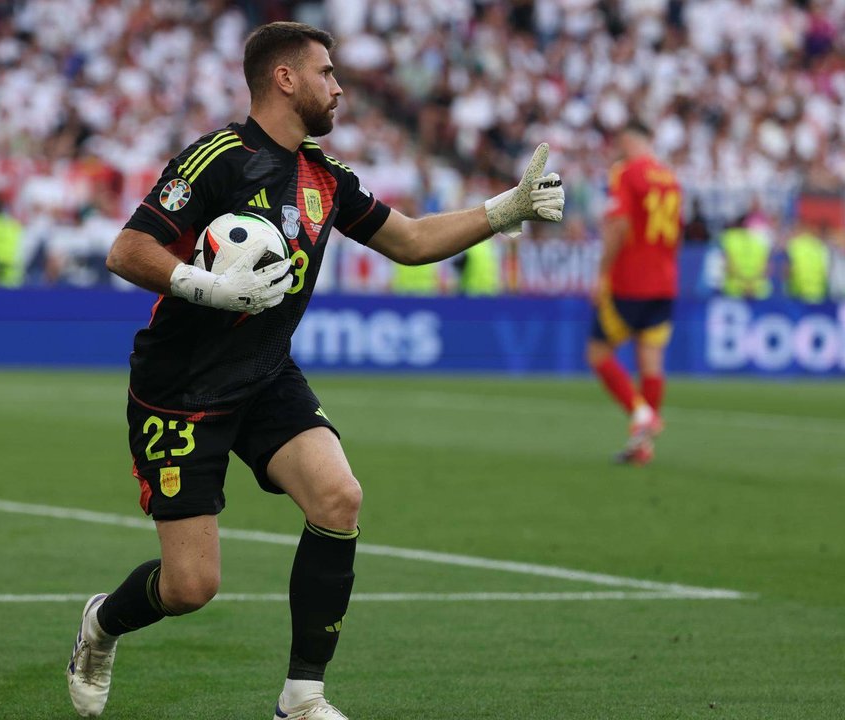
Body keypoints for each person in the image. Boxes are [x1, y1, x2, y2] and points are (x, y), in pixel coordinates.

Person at [66, 21, 565, 720]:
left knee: (338, 497)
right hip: (179, 394)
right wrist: (205, 286)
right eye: (327, 73)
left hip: (266, 375)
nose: (338, 87)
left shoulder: (324, 178)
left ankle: (302, 698)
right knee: (190, 587)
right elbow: (127, 250)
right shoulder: (217, 159)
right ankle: (101, 625)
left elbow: (413, 241)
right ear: (285, 78)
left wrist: (505, 208)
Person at [587, 119, 682, 466]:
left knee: (597, 352)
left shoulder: (626, 173)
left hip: (631, 280)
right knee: (651, 360)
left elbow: (620, 225)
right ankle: (642, 446)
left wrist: (601, 274)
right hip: (665, 281)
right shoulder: (670, 178)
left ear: (629, 139)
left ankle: (641, 414)